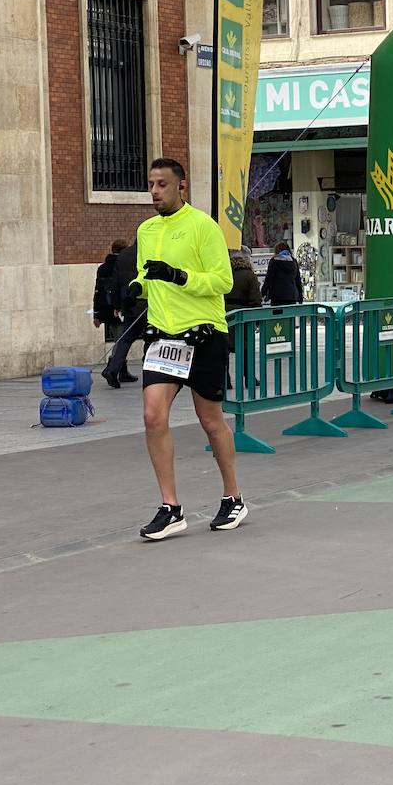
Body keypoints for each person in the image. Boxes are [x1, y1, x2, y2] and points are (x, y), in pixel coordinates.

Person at [128, 157, 243, 541]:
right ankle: (171, 508)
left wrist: (180, 276)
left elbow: (223, 281)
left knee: (211, 421)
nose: (154, 192)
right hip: (163, 337)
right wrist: (136, 287)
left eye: (162, 184)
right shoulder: (146, 230)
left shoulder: (202, 226)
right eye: (151, 184)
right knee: (152, 416)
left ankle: (233, 497)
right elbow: (148, 276)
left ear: (182, 187)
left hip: (204, 335)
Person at [100, 238, 146, 389]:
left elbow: (115, 282)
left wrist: (117, 305)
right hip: (147, 302)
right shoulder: (148, 253)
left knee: (125, 338)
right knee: (152, 338)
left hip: (129, 303)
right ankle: (151, 373)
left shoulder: (123, 255)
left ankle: (112, 369)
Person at [92, 240, 127, 343]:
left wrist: (96, 314)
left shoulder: (102, 268)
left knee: (117, 337)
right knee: (121, 340)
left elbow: (97, 291)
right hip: (120, 307)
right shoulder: (123, 266)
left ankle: (115, 358)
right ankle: (115, 358)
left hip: (106, 307)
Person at [262, 240, 304, 305]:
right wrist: (300, 297)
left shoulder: (274, 261)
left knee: (278, 315)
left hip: (277, 297)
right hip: (291, 296)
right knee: (290, 315)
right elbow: (298, 280)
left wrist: (262, 293)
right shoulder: (294, 261)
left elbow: (268, 279)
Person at [226, 246, 263, 316]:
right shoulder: (250, 276)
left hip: (225, 314)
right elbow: (256, 300)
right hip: (244, 315)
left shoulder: (226, 273)